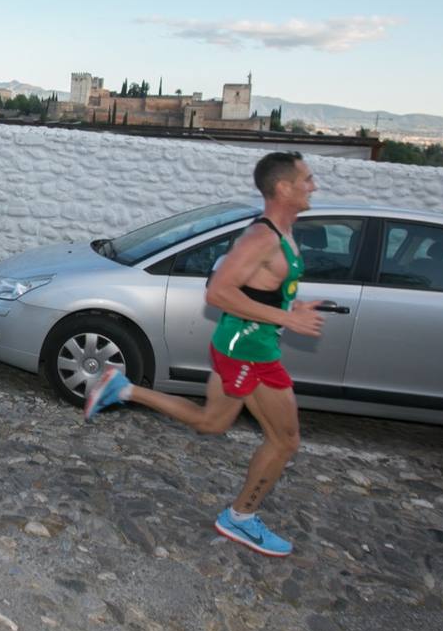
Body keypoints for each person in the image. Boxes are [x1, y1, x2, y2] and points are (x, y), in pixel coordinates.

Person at [84, 151, 325, 557]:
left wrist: (289, 311)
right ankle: (241, 517)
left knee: (213, 423)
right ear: (283, 188)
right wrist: (290, 321)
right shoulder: (262, 238)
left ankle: (123, 389)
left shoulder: (282, 232)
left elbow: (258, 289)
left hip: (248, 343)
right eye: (307, 179)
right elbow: (218, 294)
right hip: (249, 349)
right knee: (284, 441)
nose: (313, 186)